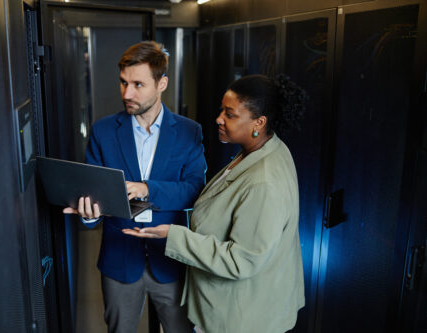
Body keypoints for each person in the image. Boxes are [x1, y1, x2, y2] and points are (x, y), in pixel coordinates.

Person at [123, 74, 307, 333]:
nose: (218, 118)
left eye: (230, 114)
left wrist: (174, 236)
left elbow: (241, 260)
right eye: (222, 109)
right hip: (236, 305)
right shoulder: (260, 150)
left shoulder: (263, 182)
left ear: (259, 122)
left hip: (243, 318)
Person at [63, 41, 206, 333]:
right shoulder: (103, 131)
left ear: (161, 83)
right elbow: (93, 191)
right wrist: (90, 214)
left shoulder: (189, 132)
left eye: (138, 84)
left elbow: (195, 189)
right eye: (124, 83)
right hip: (119, 260)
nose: (127, 93)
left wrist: (146, 188)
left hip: (171, 261)